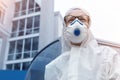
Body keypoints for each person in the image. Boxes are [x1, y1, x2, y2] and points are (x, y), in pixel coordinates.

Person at [44, 8, 120, 80]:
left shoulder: (108, 56)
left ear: (88, 26)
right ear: (65, 27)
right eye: (71, 20)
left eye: (82, 19)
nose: (77, 23)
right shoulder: (53, 67)